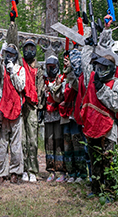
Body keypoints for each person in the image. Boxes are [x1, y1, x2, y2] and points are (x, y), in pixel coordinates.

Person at [81, 55, 118, 195]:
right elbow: (84, 64)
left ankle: (110, 191)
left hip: (109, 128)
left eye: (103, 68)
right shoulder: (93, 80)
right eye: (98, 67)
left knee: (108, 159)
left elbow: (117, 105)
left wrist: (102, 89)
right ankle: (96, 189)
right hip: (93, 126)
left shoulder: (114, 83)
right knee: (95, 160)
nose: (100, 71)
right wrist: (88, 49)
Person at [0, 44, 26, 184]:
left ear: (16, 56)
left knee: (16, 144)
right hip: (3, 108)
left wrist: (12, 71)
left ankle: (15, 172)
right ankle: (1, 172)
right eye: (8, 54)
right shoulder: (2, 69)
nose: (9, 57)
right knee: (2, 143)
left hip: (16, 109)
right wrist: (0, 55)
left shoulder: (20, 70)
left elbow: (21, 86)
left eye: (12, 55)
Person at [59, 49, 87, 183]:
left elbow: (76, 86)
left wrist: (71, 71)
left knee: (77, 145)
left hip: (75, 115)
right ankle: (71, 173)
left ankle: (81, 174)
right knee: (67, 145)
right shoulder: (62, 77)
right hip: (65, 116)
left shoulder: (81, 77)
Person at [21, 40, 44, 183]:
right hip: (21, 106)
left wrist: (40, 108)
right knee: (22, 141)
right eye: (26, 48)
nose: (29, 51)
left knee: (32, 141)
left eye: (31, 48)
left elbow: (40, 89)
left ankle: (33, 170)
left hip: (33, 107)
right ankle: (23, 169)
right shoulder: (20, 65)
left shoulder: (38, 69)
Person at [41, 55, 66, 183]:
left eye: (53, 67)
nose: (50, 69)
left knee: (59, 142)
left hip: (58, 114)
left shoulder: (61, 79)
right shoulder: (44, 80)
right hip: (47, 115)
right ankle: (50, 170)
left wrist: (53, 88)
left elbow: (60, 97)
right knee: (49, 142)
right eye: (48, 67)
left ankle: (61, 170)